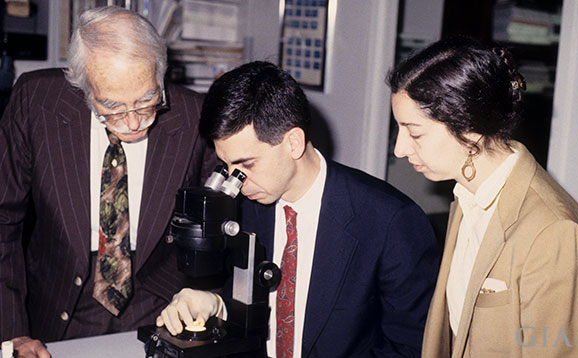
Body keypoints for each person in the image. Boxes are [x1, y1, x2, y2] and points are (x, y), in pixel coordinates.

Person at [156, 61, 441, 357]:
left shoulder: (390, 221)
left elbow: (411, 348)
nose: (235, 181)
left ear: (294, 143)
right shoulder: (245, 209)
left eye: (246, 165)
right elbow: (252, 305)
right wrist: (218, 305)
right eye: (227, 166)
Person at [0, 6, 217, 358]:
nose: (132, 122)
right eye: (112, 106)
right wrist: (11, 333)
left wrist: (203, 294)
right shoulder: (35, 101)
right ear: (81, 82)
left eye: (147, 100)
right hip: (58, 300)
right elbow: (3, 222)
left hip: (157, 300)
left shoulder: (194, 116)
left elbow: (218, 228)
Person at [388, 36, 578, 357]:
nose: (400, 148)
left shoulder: (554, 234)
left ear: (469, 128)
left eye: (415, 132)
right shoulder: (468, 196)